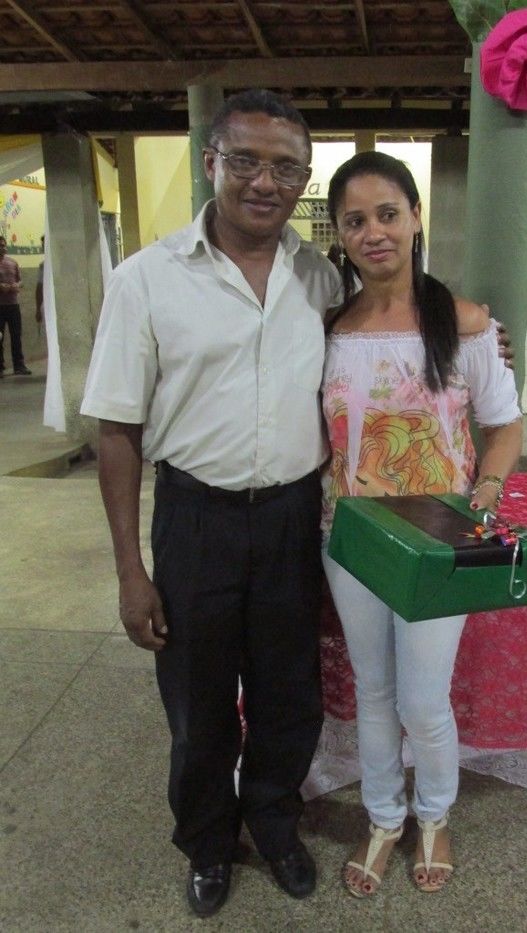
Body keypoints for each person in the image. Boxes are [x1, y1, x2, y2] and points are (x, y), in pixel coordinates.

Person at [80, 89, 344, 918]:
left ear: (303, 179)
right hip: (195, 518)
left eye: (286, 167)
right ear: (211, 164)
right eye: (246, 161)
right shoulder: (146, 279)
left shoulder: (321, 276)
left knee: (288, 691)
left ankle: (272, 820)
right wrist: (131, 570)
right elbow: (117, 432)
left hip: (294, 517)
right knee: (197, 699)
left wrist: (471, 329)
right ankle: (206, 839)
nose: (265, 182)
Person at [319, 152, 522, 897]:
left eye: (387, 213)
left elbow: (502, 426)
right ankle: (382, 816)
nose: (373, 231)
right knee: (373, 689)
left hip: (441, 543)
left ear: (414, 218)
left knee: (422, 697)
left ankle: (434, 813)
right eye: (355, 220)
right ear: (340, 235)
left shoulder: (466, 325)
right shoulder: (331, 327)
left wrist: (488, 489)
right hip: (352, 540)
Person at [0, 235, 31, 376]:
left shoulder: (12, 262)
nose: (3, 247)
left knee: (16, 335)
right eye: (0, 245)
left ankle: (19, 365)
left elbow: (21, 281)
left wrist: (16, 285)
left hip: (13, 305)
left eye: (4, 245)